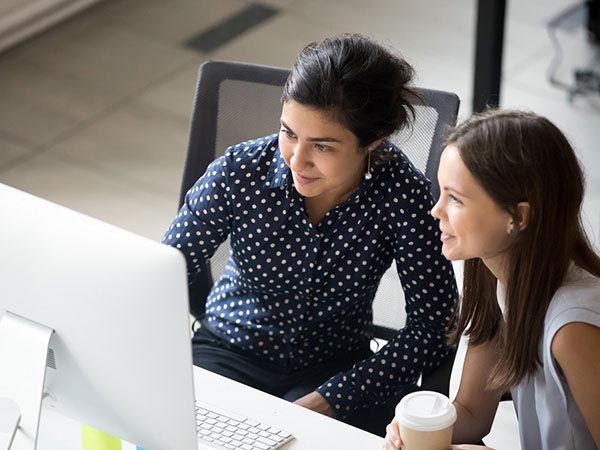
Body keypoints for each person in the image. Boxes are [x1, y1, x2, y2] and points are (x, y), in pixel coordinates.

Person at [163, 33, 457, 435]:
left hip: (335, 368)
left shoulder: (402, 195)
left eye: (322, 146)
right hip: (229, 350)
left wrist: (336, 397)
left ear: (373, 142)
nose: (297, 160)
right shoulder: (239, 172)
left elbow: (434, 324)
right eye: (289, 133)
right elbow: (162, 275)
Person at [383, 109, 600, 449]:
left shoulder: (573, 328)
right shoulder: (498, 282)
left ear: (518, 216)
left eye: (455, 198)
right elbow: (470, 412)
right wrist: (419, 430)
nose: (435, 210)